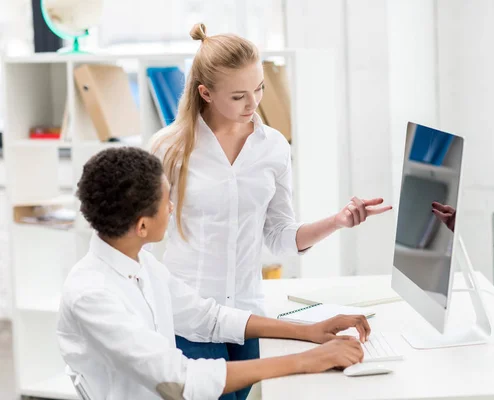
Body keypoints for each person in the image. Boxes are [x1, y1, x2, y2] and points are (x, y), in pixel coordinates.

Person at [150, 22, 392, 400]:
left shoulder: (273, 147)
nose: (254, 103)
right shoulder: (168, 148)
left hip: (248, 317)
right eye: (239, 96)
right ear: (206, 93)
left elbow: (279, 235)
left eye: (259, 88)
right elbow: (144, 238)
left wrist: (337, 221)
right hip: (188, 319)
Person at [56, 147, 371, 400]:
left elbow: (208, 318)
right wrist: (305, 361)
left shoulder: (143, 263)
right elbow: (178, 381)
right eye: (167, 201)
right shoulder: (91, 294)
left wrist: (309, 331)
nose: (172, 208)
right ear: (142, 226)